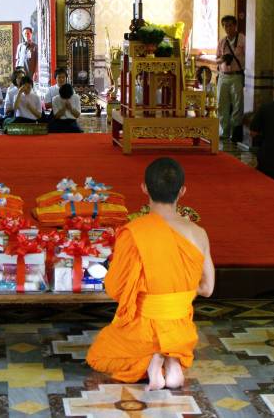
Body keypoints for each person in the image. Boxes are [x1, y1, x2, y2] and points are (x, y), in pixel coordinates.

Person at [86, 157, 215, 391]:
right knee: (172, 337)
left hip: (144, 329)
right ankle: (170, 358)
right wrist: (174, 294)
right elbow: (207, 289)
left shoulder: (135, 232)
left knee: (98, 357)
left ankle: (152, 359)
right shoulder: (199, 233)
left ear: (144, 188)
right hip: (181, 331)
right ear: (182, 191)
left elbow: (114, 288)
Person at [216, 15, 245, 142]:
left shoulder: (242, 39)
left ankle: (235, 132)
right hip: (223, 76)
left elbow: (249, 56)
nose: (228, 28)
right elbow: (216, 59)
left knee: (238, 105)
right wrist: (222, 59)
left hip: (236, 76)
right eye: (225, 26)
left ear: (235, 26)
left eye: (230, 25)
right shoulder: (222, 41)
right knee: (222, 104)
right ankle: (224, 131)